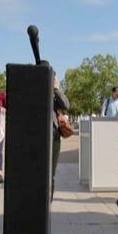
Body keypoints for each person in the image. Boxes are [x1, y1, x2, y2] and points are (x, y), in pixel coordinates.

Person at [50, 70, 70, 201]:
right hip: (37, 138)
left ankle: (48, 201)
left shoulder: (54, 96)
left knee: (51, 173)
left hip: (54, 138)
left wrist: (56, 89)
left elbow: (66, 105)